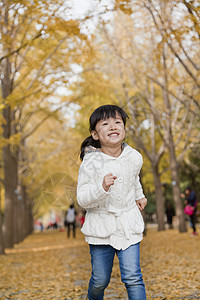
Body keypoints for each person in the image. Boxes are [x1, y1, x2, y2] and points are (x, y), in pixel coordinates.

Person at [77, 104, 147, 300]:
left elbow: (134, 178)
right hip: (101, 229)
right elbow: (82, 199)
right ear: (95, 135)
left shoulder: (134, 157)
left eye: (118, 122)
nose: (113, 126)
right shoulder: (90, 163)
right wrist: (102, 188)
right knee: (100, 280)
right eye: (105, 124)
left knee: (133, 277)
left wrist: (138, 195)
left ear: (124, 128)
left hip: (127, 224)